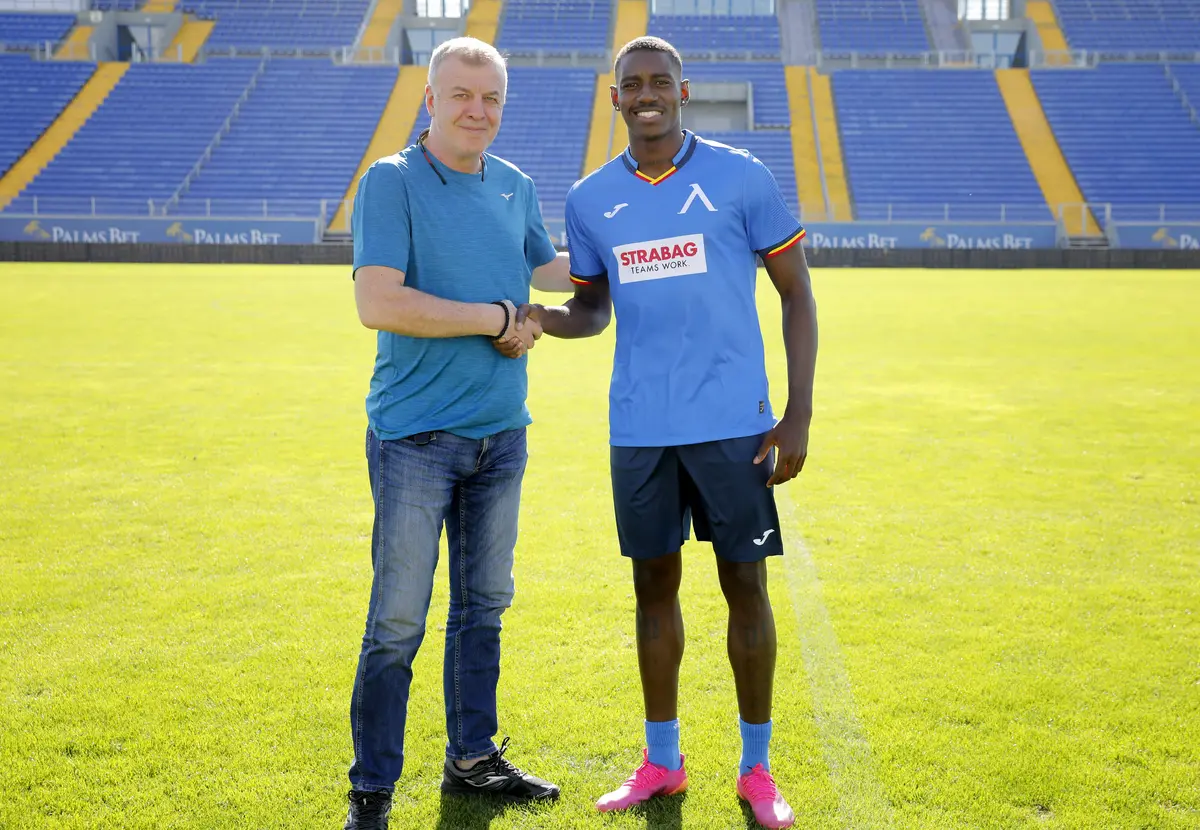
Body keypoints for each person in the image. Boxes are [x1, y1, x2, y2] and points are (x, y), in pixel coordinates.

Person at [511, 36, 818, 830]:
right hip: (641, 429)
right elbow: (592, 309)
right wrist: (541, 318)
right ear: (614, 97)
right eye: (631, 84)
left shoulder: (741, 176)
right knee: (653, 592)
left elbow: (796, 292)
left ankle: (756, 771)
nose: (645, 94)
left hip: (735, 427)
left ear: (683, 91)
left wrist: (798, 413)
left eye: (659, 82)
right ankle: (662, 762)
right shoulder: (590, 198)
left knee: (744, 587)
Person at [343, 36, 575, 830]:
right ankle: (372, 791)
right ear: (431, 99)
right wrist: (497, 318)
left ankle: (473, 760)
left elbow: (552, 271)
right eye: (462, 95)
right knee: (397, 622)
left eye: (492, 98)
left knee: (484, 608)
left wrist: (643, 253)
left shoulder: (515, 184)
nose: (478, 110)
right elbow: (379, 303)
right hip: (415, 438)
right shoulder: (391, 180)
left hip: (501, 436)